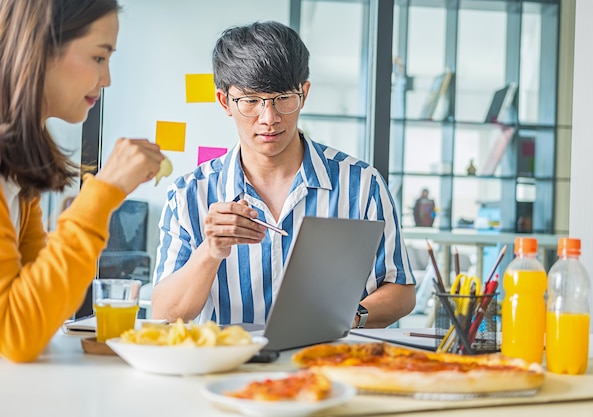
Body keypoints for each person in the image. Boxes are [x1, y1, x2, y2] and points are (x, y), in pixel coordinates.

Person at [151, 21, 415, 329]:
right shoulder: (188, 194)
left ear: (303, 93)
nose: (269, 119)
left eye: (283, 99)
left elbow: (400, 290)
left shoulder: (361, 184)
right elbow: (164, 314)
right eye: (251, 101)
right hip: (228, 367)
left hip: (328, 363)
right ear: (225, 101)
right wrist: (209, 252)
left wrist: (349, 315)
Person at [0, 0, 165, 363]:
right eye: (98, 58)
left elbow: (44, 309)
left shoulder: (16, 177)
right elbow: (17, 333)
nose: (107, 79)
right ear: (40, 48)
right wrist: (102, 193)